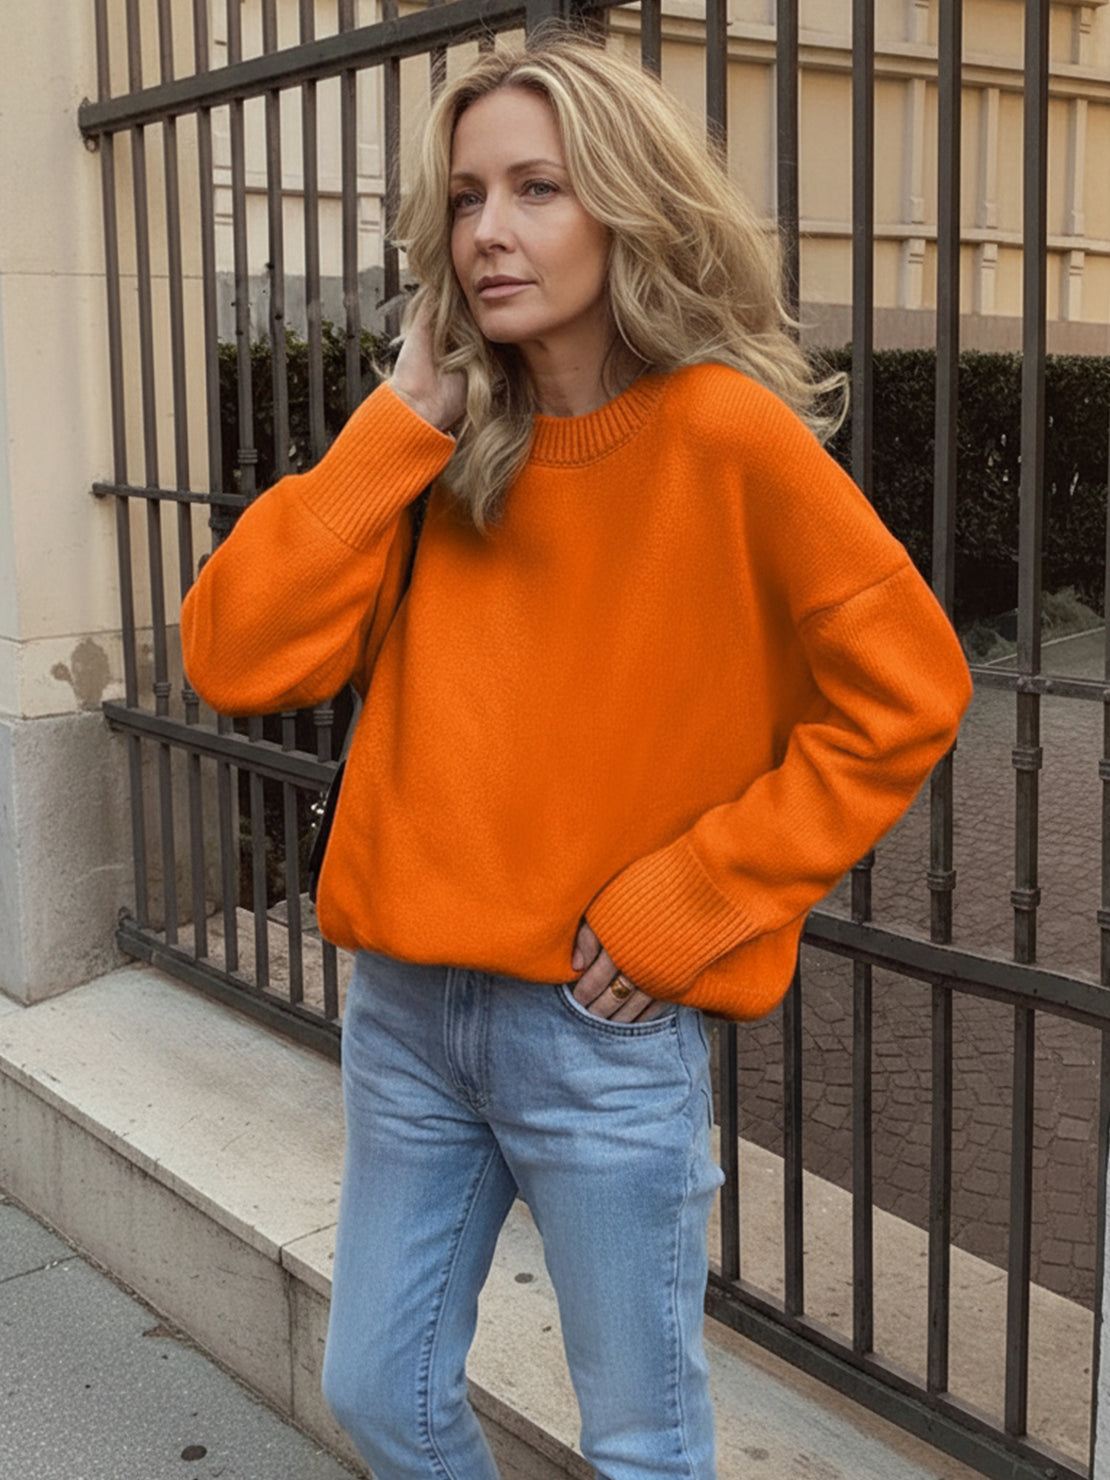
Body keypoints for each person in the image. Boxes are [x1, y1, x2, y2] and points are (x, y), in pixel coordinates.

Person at [179, 20, 974, 1479]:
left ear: (626, 207)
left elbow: (910, 691)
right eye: (465, 197)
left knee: (641, 1444)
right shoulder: (438, 448)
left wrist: (701, 894)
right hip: (409, 1008)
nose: (489, 230)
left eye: (536, 188)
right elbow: (236, 659)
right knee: (379, 1392)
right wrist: (395, 421)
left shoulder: (725, 436)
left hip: (597, 1032)